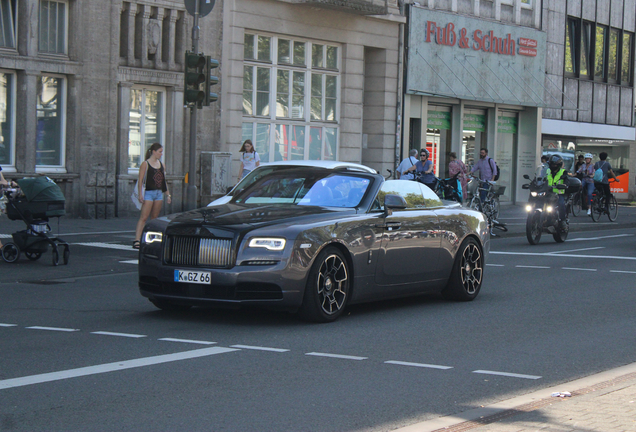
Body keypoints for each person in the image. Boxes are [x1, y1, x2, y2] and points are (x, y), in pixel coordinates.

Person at [133, 143, 171, 249]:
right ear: (154, 152)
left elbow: (164, 181)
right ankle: (137, 239)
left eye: (162, 151)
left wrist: (168, 194)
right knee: (144, 217)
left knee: (154, 218)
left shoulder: (162, 165)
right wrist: (141, 194)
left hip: (159, 193)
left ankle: (151, 239)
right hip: (148, 192)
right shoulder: (145, 164)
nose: (161, 154)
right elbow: (140, 180)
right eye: (160, 151)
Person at [545, 154, 570, 230]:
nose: (553, 165)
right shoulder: (547, 171)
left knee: (561, 203)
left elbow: (567, 181)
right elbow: (540, 177)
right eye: (552, 164)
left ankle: (562, 221)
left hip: (559, 194)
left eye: (554, 164)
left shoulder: (563, 172)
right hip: (547, 193)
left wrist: (565, 184)